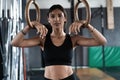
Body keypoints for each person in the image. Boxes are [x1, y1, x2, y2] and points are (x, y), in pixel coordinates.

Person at [11, 4, 107, 80]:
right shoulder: (42, 39)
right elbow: (15, 43)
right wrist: (30, 25)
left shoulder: (73, 39)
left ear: (65, 18)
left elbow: (102, 41)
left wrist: (87, 25)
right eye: (52, 16)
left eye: (60, 16)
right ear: (49, 19)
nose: (56, 19)